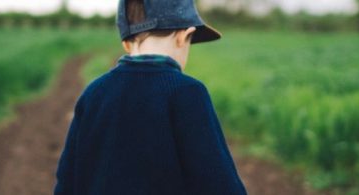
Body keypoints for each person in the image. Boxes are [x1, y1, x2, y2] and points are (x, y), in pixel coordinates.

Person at [54, 0, 247, 194]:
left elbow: (67, 181)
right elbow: (219, 184)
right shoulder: (187, 92)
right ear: (184, 36)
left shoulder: (93, 93)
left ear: (126, 44)